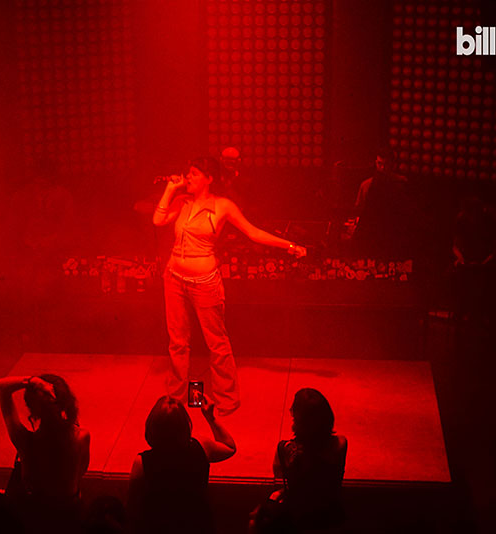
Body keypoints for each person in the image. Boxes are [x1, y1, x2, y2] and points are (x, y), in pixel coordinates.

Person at [153, 157, 306, 415]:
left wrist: (289, 245)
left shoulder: (223, 206)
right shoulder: (182, 201)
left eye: (194, 173)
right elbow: (158, 220)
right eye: (188, 173)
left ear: (209, 178)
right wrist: (170, 189)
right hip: (174, 278)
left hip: (204, 282)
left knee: (217, 342)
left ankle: (227, 398)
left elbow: (253, 232)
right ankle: (176, 398)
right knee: (177, 341)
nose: (188, 177)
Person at [127, 395, 236, 534]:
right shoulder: (203, 446)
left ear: (152, 426)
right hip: (197, 526)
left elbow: (132, 505)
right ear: (185, 424)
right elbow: (229, 447)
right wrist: (210, 418)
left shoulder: (142, 462)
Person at [0, 374, 90, 532]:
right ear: (65, 402)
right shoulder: (81, 437)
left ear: (31, 408)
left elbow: (2, 386)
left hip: (35, 518)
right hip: (70, 517)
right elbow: (82, 471)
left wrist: (32, 381)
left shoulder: (25, 441)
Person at [252, 388, 348, 533]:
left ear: (297, 419)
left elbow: (279, 484)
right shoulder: (341, 444)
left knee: (258, 517)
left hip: (299, 519)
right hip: (331, 514)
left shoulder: (285, 449)